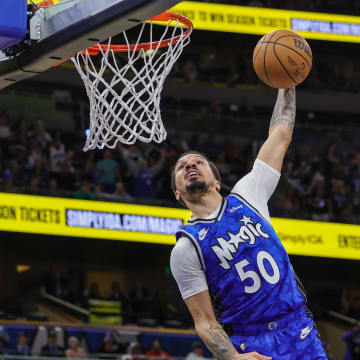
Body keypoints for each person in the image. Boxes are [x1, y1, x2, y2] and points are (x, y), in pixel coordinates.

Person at [170, 88, 327, 360]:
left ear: (217, 181)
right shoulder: (186, 248)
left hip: (299, 329)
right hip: (251, 343)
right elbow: (205, 322)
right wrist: (232, 357)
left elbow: (280, 135)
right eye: (182, 167)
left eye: (198, 162)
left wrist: (286, 85)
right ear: (177, 194)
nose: (190, 165)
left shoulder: (248, 193)